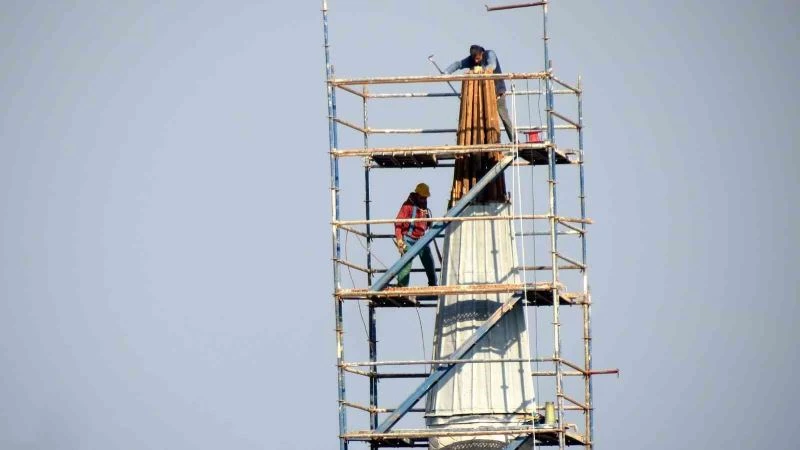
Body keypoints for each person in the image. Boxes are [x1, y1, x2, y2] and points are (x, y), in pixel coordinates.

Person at [445, 44, 516, 143]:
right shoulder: (472, 59)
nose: (476, 61)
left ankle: (515, 140)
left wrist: (481, 71)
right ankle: (480, 142)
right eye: (474, 59)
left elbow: (492, 65)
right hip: (481, 95)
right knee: (480, 118)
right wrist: (446, 72)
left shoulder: (489, 54)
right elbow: (458, 64)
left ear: (481, 53)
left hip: (497, 91)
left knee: (503, 116)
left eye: (478, 59)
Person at [394, 183, 437, 287]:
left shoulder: (424, 206)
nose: (424, 199)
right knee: (406, 264)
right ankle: (402, 287)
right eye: (422, 197)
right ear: (417, 195)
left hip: (421, 239)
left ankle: (433, 285)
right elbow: (398, 223)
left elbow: (426, 224)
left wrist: (429, 222)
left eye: (425, 197)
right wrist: (399, 240)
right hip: (408, 239)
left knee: (429, 263)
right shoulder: (407, 206)